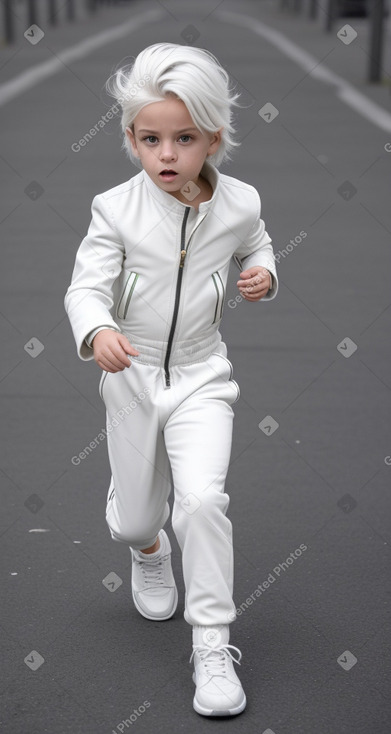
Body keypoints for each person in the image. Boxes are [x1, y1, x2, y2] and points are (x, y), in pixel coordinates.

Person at [64, 42, 278, 717]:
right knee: (135, 521)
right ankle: (147, 548)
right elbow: (85, 288)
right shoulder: (114, 209)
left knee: (203, 500)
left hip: (200, 375)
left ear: (213, 137)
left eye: (183, 139)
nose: (166, 154)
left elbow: (258, 242)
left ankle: (211, 646)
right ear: (129, 139)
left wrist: (266, 275)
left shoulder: (239, 203)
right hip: (129, 375)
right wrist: (98, 330)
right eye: (150, 138)